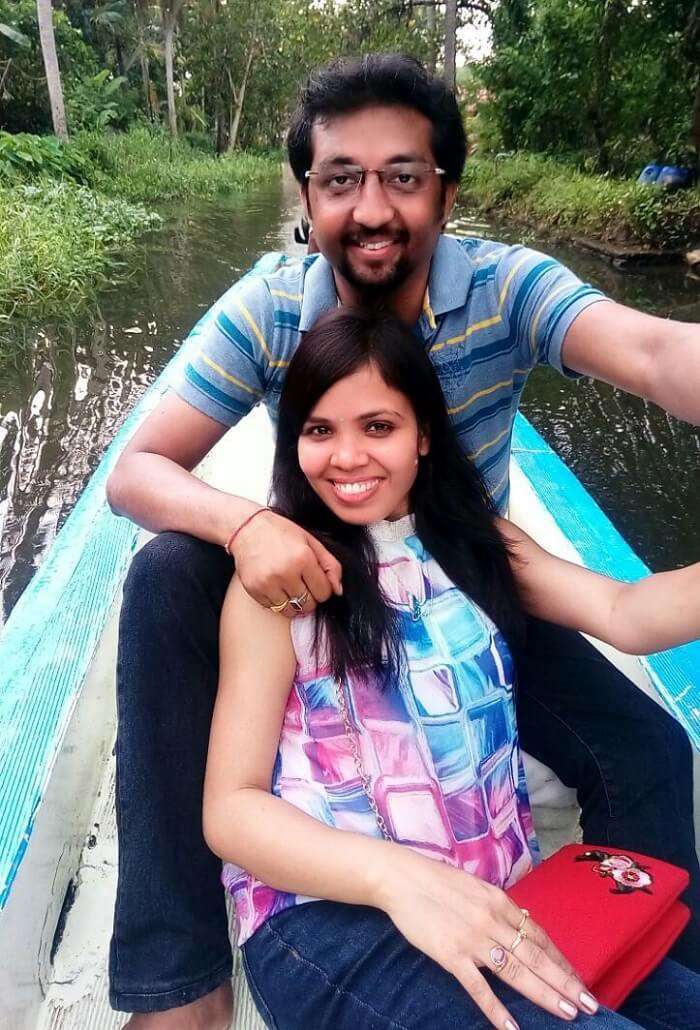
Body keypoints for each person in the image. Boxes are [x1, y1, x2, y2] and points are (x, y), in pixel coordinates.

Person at [106, 54, 700, 1027]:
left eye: (403, 176)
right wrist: (250, 524)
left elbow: (651, 350)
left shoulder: (506, 291)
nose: (372, 207)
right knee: (171, 570)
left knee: (646, 746)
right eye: (342, 178)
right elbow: (138, 472)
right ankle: (180, 982)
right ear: (309, 193)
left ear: (445, 193)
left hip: (469, 578)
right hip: (320, 583)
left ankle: (641, 945)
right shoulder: (270, 307)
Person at [204, 307, 700, 1030]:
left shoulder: (475, 542)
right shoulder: (281, 582)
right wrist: (397, 881)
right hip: (329, 923)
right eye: (320, 430)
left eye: (378, 427)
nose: (347, 457)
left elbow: (626, 611)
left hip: (502, 904)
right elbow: (231, 808)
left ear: (424, 436)